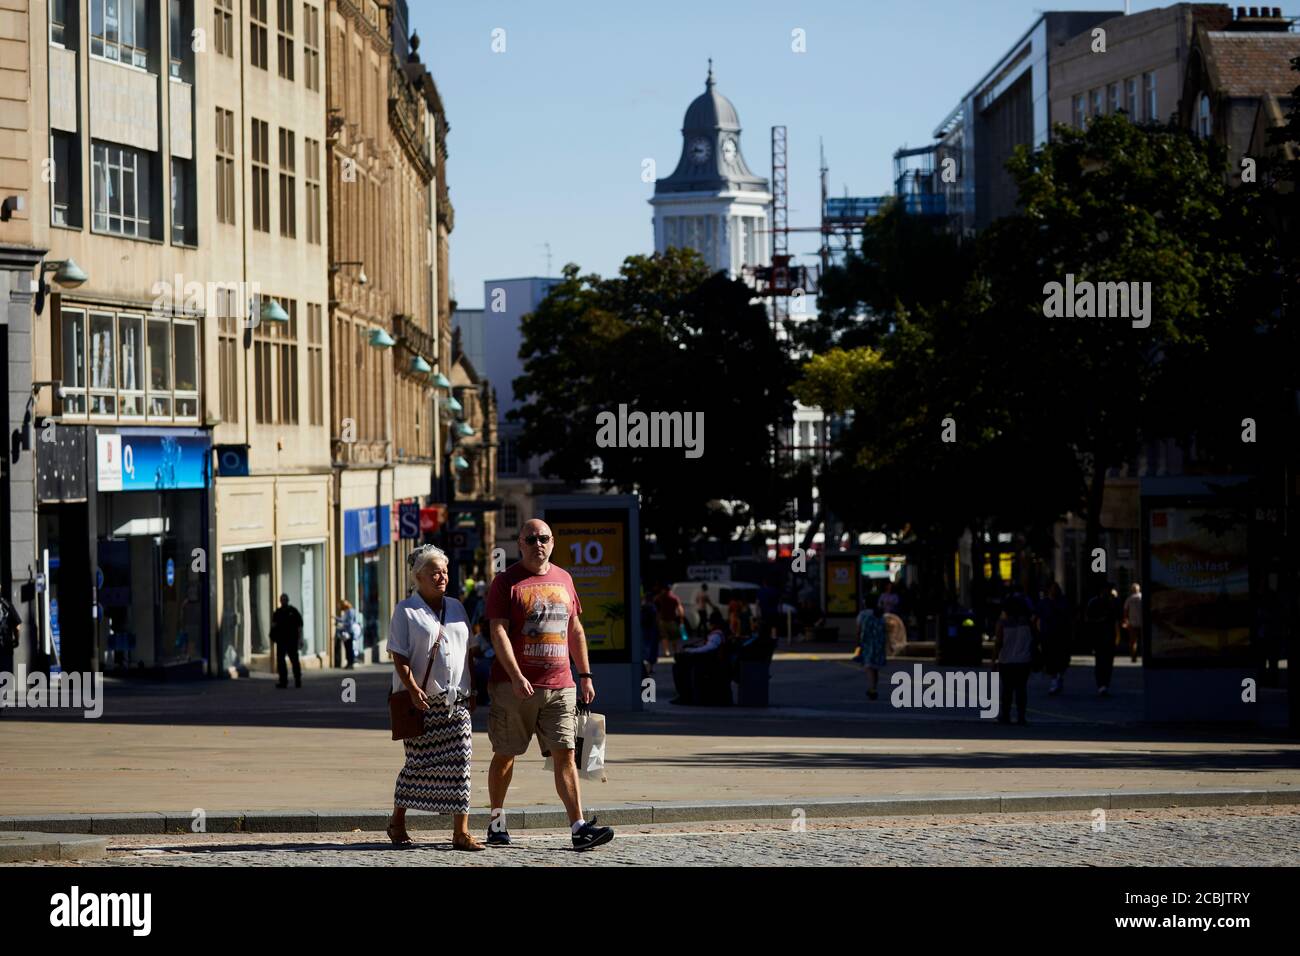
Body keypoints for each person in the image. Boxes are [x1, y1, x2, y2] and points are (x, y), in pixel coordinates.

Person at [484, 519, 614, 851]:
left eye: (543, 538)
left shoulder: (565, 578)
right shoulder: (506, 582)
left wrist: (584, 675)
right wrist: (515, 675)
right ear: (520, 544)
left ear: (552, 542)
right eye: (531, 539)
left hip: (561, 684)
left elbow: (575, 629)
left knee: (567, 753)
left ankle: (579, 827)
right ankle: (497, 823)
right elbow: (497, 631)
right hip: (514, 688)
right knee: (506, 754)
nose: (537, 544)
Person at [386, 544, 481, 851]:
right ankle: (397, 820)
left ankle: (461, 832)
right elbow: (398, 655)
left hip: (456, 702)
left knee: (462, 763)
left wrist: (474, 687)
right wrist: (413, 689)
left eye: (444, 571)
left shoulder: (456, 606)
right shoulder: (406, 611)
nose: (442, 577)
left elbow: (468, 651)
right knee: (418, 764)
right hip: (421, 703)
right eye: (434, 572)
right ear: (418, 577)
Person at [994, 595, 1036, 724]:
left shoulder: (1002, 623)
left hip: (1006, 660)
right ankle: (1021, 716)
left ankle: (1005, 715)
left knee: (1007, 689)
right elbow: (1035, 638)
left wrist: (994, 660)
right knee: (1021, 689)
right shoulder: (1028, 623)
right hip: (1023, 660)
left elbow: (998, 642)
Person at [1034, 582, 1071, 695]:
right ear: (1049, 590)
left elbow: (1069, 618)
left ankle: (1058, 675)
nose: (1055, 591)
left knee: (1062, 658)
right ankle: (1054, 678)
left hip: (1062, 635)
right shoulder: (1043, 603)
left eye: (1057, 588)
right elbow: (1037, 619)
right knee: (1049, 658)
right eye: (1053, 588)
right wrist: (1039, 633)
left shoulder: (1063, 602)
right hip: (1048, 635)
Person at [1084, 579, 1119, 696]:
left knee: (1108, 661)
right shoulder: (1094, 603)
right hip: (1098, 636)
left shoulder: (1112, 602)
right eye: (1107, 590)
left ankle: (1105, 684)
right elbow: (1088, 620)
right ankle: (1101, 684)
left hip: (1109, 636)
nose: (1109, 592)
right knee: (1100, 661)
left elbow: (1116, 620)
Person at [271, 594, 303, 689]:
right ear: (280, 601)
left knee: (294, 661)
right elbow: (273, 626)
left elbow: (300, 626)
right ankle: (283, 681)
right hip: (281, 641)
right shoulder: (278, 612)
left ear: (288, 600)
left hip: (292, 640)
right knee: (281, 661)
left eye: (285, 600)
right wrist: (273, 638)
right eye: (282, 600)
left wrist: (300, 639)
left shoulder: (293, 611)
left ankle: (298, 680)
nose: (283, 601)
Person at [857, 604, 887, 700]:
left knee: (869, 666)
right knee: (875, 668)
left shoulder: (865, 616)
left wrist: (859, 643)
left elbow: (861, 630)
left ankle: (872, 688)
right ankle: (873, 687)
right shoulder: (881, 619)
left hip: (868, 645)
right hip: (879, 646)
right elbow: (885, 632)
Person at [654, 583, 685, 658]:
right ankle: (675, 651)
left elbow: (655, 603)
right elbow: (680, 609)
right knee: (674, 637)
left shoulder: (660, 597)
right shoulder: (674, 598)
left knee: (664, 637)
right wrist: (681, 618)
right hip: (672, 621)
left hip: (662, 620)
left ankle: (666, 651)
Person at [640, 590, 660, 678]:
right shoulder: (653, 607)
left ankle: (647, 669)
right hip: (651, 630)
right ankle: (649, 668)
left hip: (645, 630)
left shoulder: (643, 607)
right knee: (651, 651)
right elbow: (656, 619)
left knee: (646, 650)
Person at [334, 599, 359, 669]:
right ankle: (349, 663)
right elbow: (344, 620)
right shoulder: (347, 611)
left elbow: (349, 623)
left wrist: (341, 624)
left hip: (349, 632)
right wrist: (336, 618)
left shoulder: (350, 611)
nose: (339, 608)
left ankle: (350, 663)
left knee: (349, 648)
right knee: (347, 648)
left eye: (340, 606)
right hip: (347, 632)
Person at [1122, 583, 1143, 663]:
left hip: (1132, 623)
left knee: (1133, 641)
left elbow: (1125, 610)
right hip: (1142, 622)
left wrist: (1126, 620)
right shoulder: (1142, 597)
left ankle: (1134, 656)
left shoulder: (1129, 599)